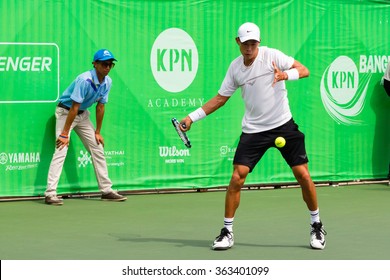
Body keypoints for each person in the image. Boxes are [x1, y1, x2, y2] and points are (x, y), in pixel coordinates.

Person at [180, 22, 326, 250]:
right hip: (254, 130)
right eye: (245, 43)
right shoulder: (235, 68)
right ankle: (227, 231)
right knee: (237, 177)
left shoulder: (271, 56)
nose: (250, 47)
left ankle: (316, 225)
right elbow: (220, 98)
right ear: (237, 42)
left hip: (282, 125)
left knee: (303, 175)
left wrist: (285, 75)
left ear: (258, 42)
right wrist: (192, 117)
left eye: (253, 43)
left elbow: (304, 70)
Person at [44, 49, 127, 206]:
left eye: (110, 64)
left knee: (97, 148)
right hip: (66, 112)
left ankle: (107, 191)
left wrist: (97, 132)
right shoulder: (84, 80)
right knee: (61, 149)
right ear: (95, 64)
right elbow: (74, 107)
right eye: (104, 64)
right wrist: (64, 134)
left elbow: (100, 107)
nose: (108, 67)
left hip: (82, 115)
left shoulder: (108, 82)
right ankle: (50, 193)